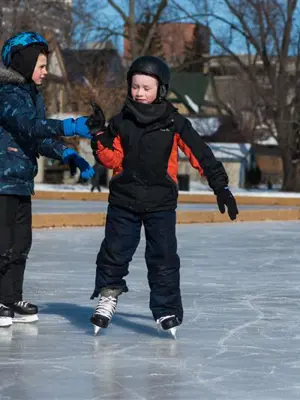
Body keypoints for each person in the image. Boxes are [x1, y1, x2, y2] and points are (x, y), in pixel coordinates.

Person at [88, 56, 239, 337]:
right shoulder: (121, 122)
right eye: (135, 87)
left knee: (164, 257)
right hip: (124, 201)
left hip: (160, 204)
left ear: (161, 89)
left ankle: (166, 308)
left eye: (146, 87)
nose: (139, 93)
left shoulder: (174, 123)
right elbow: (110, 159)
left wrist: (221, 186)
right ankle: (108, 297)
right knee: (114, 252)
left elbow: (201, 155)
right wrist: (99, 135)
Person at [0, 31, 94, 328]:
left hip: (20, 180)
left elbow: (37, 138)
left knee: (20, 243)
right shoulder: (5, 93)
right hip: (1, 180)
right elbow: (29, 126)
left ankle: (12, 297)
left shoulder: (31, 95)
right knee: (2, 243)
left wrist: (69, 154)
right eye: (40, 66)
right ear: (25, 63)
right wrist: (68, 125)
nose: (44, 72)